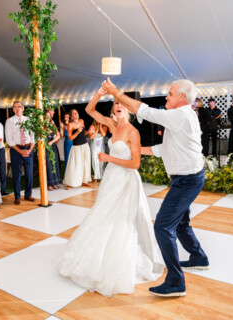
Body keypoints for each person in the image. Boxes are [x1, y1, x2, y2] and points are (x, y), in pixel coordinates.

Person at [102, 78, 209, 297]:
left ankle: (176, 281)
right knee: (180, 223)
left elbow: (148, 112)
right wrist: (134, 148)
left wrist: (117, 93)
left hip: (187, 181)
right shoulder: (181, 117)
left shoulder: (180, 115)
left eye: (170, 94)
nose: (166, 97)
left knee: (162, 226)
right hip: (188, 179)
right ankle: (198, 257)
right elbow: (164, 148)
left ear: (181, 97)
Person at [58, 87, 164, 296]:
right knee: (103, 214)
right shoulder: (111, 124)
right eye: (116, 104)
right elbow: (89, 110)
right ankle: (98, 255)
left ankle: (120, 259)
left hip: (126, 181)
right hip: (111, 179)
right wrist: (98, 94)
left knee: (122, 221)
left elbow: (135, 164)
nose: (118, 106)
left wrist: (109, 159)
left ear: (129, 111)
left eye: (122, 104)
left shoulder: (133, 133)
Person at [5, 101, 35, 205]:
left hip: (28, 148)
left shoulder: (29, 120)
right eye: (15, 107)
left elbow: (33, 136)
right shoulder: (9, 121)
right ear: (13, 109)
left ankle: (28, 194)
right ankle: (17, 196)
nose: (17, 108)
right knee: (16, 174)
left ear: (23, 108)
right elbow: (9, 140)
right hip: (16, 150)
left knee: (29, 173)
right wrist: (20, 151)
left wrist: (29, 150)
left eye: (19, 106)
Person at [63, 109, 91, 189]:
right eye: (74, 113)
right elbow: (70, 138)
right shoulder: (70, 125)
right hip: (76, 147)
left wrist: (87, 132)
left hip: (85, 146)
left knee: (85, 164)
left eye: (77, 113)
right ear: (71, 116)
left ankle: (83, 180)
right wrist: (77, 132)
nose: (76, 114)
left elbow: (83, 133)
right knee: (75, 166)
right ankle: (70, 182)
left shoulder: (82, 121)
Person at [45, 111, 60, 190]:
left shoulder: (52, 125)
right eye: (46, 116)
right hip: (45, 147)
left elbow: (58, 136)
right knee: (48, 164)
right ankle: (49, 184)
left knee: (54, 163)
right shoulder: (42, 126)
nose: (48, 117)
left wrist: (52, 141)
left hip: (52, 145)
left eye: (49, 116)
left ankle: (55, 183)